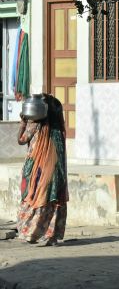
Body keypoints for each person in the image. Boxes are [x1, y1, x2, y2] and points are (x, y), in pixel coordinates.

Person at [16, 94, 68, 246]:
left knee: (35, 197)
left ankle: (30, 233)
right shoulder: (59, 128)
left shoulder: (35, 124)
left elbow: (21, 140)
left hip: (37, 169)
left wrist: (23, 122)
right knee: (54, 199)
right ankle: (52, 236)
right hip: (57, 171)